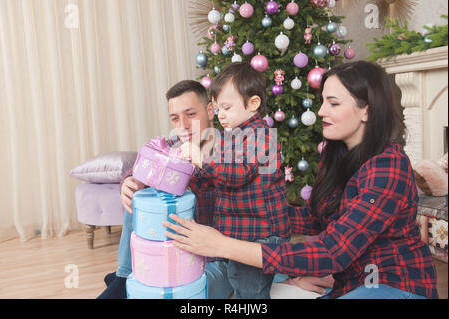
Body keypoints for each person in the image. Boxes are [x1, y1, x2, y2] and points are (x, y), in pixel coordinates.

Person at [164, 61, 439, 299]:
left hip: (395, 285)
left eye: (333, 103)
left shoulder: (388, 167)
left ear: (366, 110)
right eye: (322, 102)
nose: (320, 112)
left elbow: (332, 252)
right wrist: (261, 216)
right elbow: (318, 219)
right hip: (350, 284)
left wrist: (223, 244)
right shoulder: (339, 154)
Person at [98, 79, 330, 298]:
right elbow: (143, 165)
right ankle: (122, 278)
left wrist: (292, 274)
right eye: (175, 119)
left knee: (186, 293)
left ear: (210, 110)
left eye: (191, 114)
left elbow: (268, 218)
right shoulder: (172, 150)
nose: (184, 126)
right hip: (178, 249)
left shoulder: (238, 151)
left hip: (224, 257)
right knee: (141, 195)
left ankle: (130, 283)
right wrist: (132, 181)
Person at [180, 62, 291, 298]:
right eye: (218, 108)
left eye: (227, 107)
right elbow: (214, 177)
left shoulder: (261, 136)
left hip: (260, 234)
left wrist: (201, 159)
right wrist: (187, 173)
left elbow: (236, 173)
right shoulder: (232, 138)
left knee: (250, 289)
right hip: (242, 232)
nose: (220, 115)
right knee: (239, 280)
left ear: (253, 104)